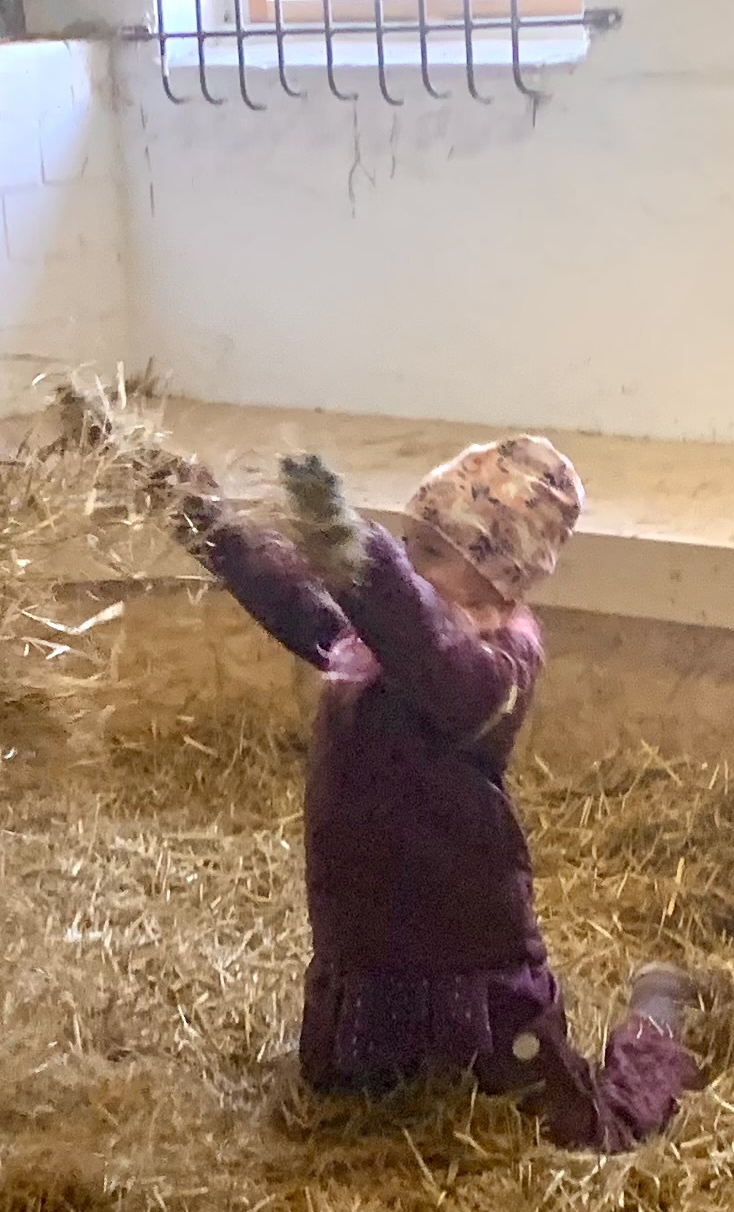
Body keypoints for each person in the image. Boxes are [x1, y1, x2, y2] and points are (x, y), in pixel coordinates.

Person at [159, 433, 696, 1154]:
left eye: (434, 553)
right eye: (409, 544)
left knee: (588, 1134)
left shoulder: (498, 664)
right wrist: (198, 511)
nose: (413, 564)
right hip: (365, 950)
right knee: (345, 1112)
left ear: (497, 573)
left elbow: (435, 660)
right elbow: (296, 598)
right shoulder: (372, 637)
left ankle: (658, 1016)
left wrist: (364, 557)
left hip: (469, 960)